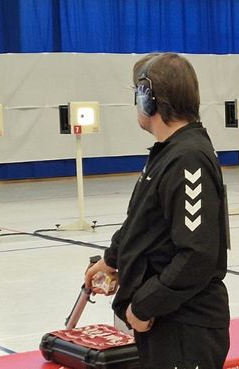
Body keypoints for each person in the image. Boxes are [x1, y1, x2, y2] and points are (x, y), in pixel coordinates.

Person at [84, 52, 230, 369]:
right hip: (168, 322)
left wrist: (144, 306)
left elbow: (197, 255)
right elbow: (143, 222)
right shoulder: (168, 154)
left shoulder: (188, 158)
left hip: (186, 328)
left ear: (150, 99)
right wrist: (111, 260)